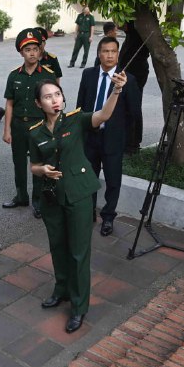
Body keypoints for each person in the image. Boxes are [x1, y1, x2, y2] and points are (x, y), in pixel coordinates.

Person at [29, 73, 128, 333]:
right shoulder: (35, 132)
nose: (55, 100)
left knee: (78, 252)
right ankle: (61, 290)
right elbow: (33, 166)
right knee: (58, 246)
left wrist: (116, 91)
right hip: (51, 196)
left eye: (57, 95)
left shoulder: (76, 120)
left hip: (79, 195)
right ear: (39, 103)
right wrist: (43, 171)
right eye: (48, 97)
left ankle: (78, 306)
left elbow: (103, 116)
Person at [76, 36, 142, 236]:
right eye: (106, 51)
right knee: (89, 178)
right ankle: (88, 214)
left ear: (118, 54)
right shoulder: (88, 75)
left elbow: (134, 113)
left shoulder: (127, 79)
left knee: (113, 181)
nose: (110, 55)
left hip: (113, 139)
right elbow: (80, 107)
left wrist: (125, 139)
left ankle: (108, 217)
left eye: (113, 51)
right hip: (90, 136)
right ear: (99, 54)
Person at [3, 29, 56, 218]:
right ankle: (21, 196)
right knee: (18, 163)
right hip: (18, 125)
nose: (32, 53)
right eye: (28, 50)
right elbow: (9, 104)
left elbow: (53, 104)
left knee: (38, 164)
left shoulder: (47, 75)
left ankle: (38, 201)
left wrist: (52, 128)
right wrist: (6, 129)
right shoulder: (14, 76)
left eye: (35, 49)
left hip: (39, 126)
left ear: (40, 51)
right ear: (21, 52)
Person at [118, 21, 150, 154]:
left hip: (136, 74)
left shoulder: (138, 34)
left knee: (133, 108)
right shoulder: (130, 35)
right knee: (126, 108)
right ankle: (128, 141)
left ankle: (133, 143)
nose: (118, 24)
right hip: (128, 73)